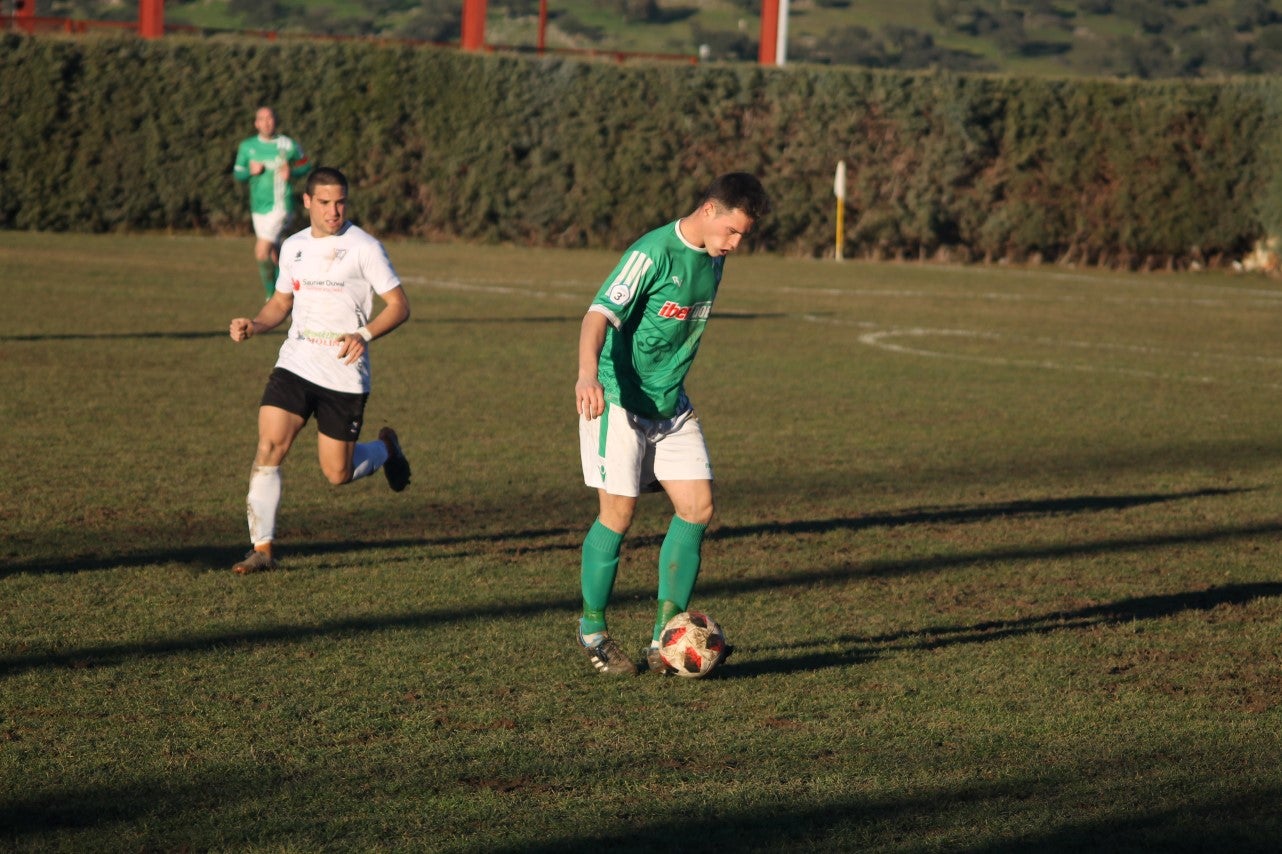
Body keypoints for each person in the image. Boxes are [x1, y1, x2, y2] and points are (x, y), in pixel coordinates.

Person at [573, 172, 771, 675]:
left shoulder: (713, 259)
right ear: (709, 210)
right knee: (618, 515)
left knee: (698, 507)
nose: (734, 244)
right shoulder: (651, 253)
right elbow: (596, 315)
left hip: (670, 404)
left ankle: (665, 637)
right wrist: (585, 375)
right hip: (616, 400)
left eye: (742, 237)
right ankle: (592, 631)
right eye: (732, 231)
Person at [227, 166, 412, 574]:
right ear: (307, 201)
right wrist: (255, 325)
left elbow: (399, 305)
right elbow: (279, 304)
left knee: (337, 473)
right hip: (296, 361)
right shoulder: (292, 247)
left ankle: (386, 449)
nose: (334, 211)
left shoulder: (365, 247)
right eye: (325, 202)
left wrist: (363, 334)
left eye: (341, 201)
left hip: (344, 372)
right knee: (270, 447)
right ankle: (262, 549)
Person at [232, 106, 312, 300]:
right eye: (262, 119)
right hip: (258, 207)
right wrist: (250, 171)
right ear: (256, 123)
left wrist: (292, 172)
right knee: (276, 255)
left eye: (270, 118)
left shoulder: (287, 144)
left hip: (281, 206)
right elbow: (237, 173)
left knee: (261, 251)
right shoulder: (247, 146)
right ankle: (288, 295)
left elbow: (306, 164)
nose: (267, 122)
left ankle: (271, 296)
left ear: (275, 120)